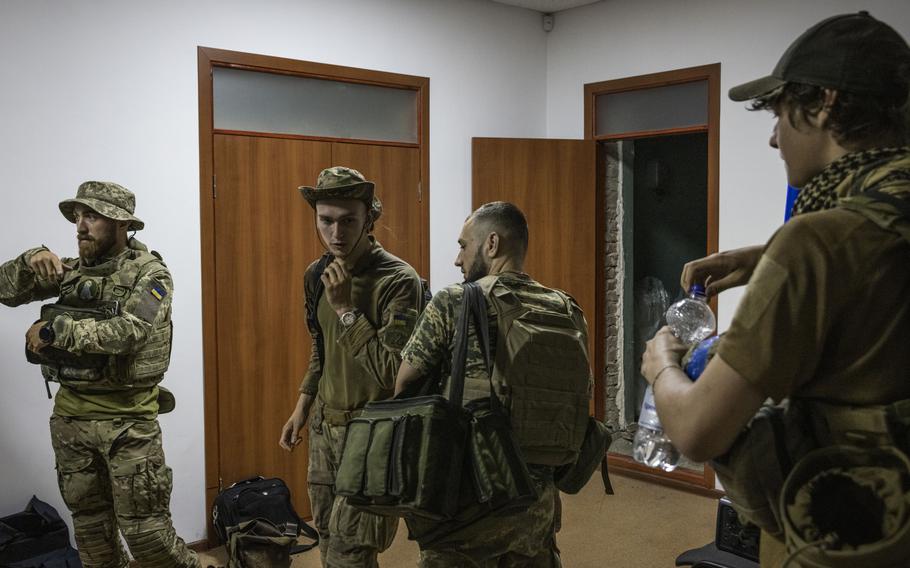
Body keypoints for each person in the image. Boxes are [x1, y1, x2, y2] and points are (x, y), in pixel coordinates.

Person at [641, 11, 910, 567]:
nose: (772, 137)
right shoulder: (868, 227)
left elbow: (697, 431)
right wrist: (765, 258)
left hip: (843, 543)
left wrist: (660, 365)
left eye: (782, 114)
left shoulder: (816, 244)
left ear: (825, 104)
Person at [0, 181, 199, 568]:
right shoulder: (70, 272)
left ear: (121, 224)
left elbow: (130, 332)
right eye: (77, 217)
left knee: (148, 538)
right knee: (92, 540)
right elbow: (4, 291)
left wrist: (54, 330)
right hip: (72, 423)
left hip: (129, 424)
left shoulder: (152, 276)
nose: (80, 226)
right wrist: (30, 260)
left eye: (92, 216)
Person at [395, 201, 591, 567]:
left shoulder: (455, 300)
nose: (458, 259)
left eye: (463, 245)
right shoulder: (566, 308)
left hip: (468, 502)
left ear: (492, 244)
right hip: (537, 506)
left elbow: (404, 383)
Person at [278, 166, 423, 567]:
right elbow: (321, 347)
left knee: (349, 553)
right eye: (326, 221)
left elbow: (394, 373)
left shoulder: (399, 280)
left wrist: (345, 309)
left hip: (373, 434)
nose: (336, 234)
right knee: (329, 540)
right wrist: (302, 407)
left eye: (348, 221)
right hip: (326, 430)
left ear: (369, 219)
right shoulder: (316, 274)